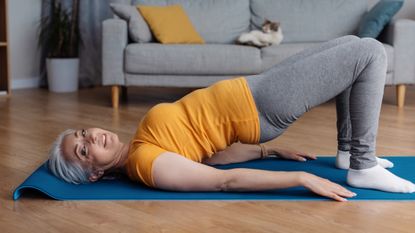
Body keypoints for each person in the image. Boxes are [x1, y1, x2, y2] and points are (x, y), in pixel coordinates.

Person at [48, 35, 415, 202]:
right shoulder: (146, 164)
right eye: (82, 150)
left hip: (255, 89)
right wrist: (302, 177)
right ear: (94, 173)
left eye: (84, 133)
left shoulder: (142, 144)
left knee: (352, 44)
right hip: (262, 104)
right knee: (369, 53)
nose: (92, 138)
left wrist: (269, 153)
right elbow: (221, 181)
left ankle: (349, 154)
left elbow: (210, 155)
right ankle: (362, 165)